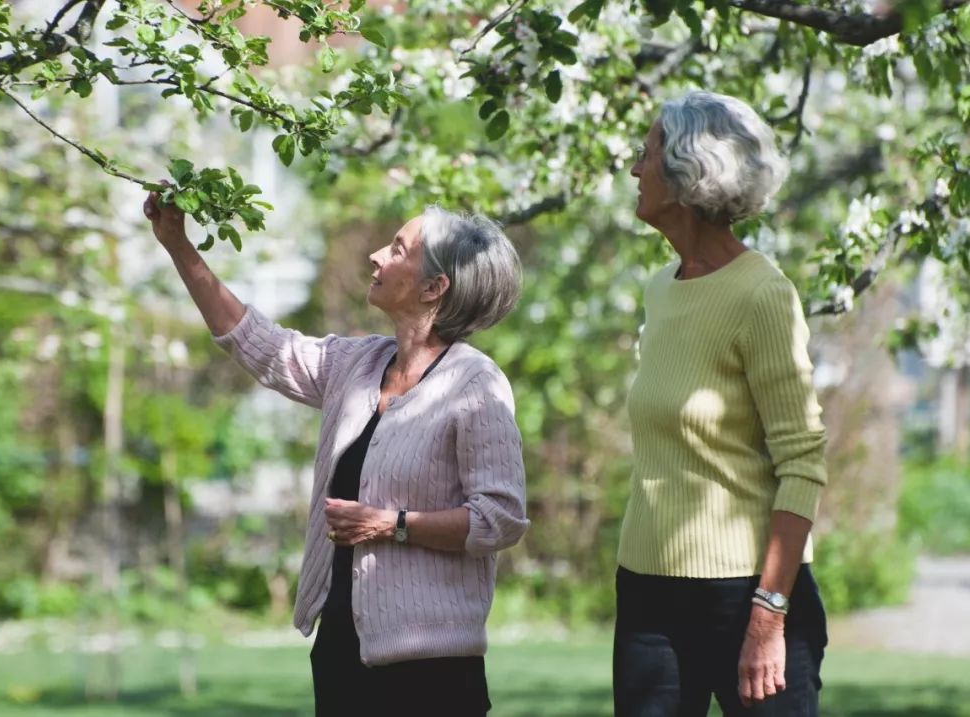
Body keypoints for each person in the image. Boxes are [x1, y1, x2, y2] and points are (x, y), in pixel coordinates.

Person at [143, 194, 529, 717]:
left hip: (431, 670)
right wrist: (178, 245)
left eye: (397, 250)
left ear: (435, 287)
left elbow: (500, 520)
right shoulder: (359, 364)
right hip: (342, 650)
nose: (375, 255)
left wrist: (390, 524)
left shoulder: (475, 383)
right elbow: (257, 343)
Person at [613, 90, 829, 716]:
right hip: (648, 594)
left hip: (750, 596)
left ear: (686, 171)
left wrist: (768, 614)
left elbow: (803, 462)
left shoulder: (762, 294)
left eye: (645, 154)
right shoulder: (660, 290)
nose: (633, 169)